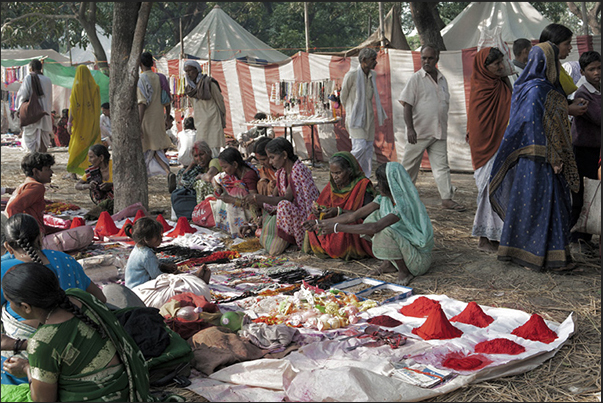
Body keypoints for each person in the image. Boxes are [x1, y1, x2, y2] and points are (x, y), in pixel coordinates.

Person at [489, 41, 581, 273]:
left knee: (534, 206)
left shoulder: (526, 86)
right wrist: (553, 156)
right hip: (542, 161)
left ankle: (534, 254)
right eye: (554, 61)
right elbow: (531, 125)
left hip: (532, 161)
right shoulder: (537, 89)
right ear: (547, 63)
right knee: (548, 206)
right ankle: (552, 259)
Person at [1, 263, 151, 402]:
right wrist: (19, 344)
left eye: (10, 301)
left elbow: (43, 400)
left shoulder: (42, 343)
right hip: (125, 387)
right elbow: (73, 343)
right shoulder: (80, 297)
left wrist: (26, 368)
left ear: (26, 307)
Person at [1, 213, 106, 386]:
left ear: (8, 246)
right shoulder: (65, 260)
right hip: (80, 347)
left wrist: (20, 345)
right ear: (41, 237)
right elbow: (99, 298)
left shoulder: (8, 272)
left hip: (30, 363)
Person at [312, 162, 433, 286]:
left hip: (418, 260)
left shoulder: (403, 205)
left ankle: (404, 271)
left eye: (380, 182)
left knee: (384, 230)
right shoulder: (383, 199)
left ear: (390, 184)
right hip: (404, 247)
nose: (377, 186)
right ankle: (389, 263)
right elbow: (353, 216)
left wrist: (337, 228)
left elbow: (375, 228)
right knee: (372, 218)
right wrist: (319, 223)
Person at [398, 44, 466, 212]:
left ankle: (447, 199)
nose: (426, 61)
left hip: (438, 132)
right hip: (419, 132)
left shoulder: (442, 79)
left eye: (430, 58)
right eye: (424, 58)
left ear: (437, 59)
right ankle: (399, 198)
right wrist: (410, 129)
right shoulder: (415, 79)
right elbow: (407, 105)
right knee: (408, 166)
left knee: (442, 167)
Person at [466, 47, 512, 253]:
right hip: (486, 147)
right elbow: (479, 124)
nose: (501, 67)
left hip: (501, 144)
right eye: (496, 64)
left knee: (501, 189)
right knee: (488, 190)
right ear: (484, 68)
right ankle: (484, 239)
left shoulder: (501, 84)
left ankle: (497, 236)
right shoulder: (481, 89)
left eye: (502, 62)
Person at [243, 137, 319, 255]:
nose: (271, 162)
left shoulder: (298, 170)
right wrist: (259, 203)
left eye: (272, 157)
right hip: (295, 214)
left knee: (283, 205)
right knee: (269, 204)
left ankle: (294, 241)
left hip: (306, 216)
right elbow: (273, 196)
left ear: (284, 155)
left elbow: (286, 199)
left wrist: (258, 197)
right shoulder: (282, 173)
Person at [302, 151, 377, 260]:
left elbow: (368, 216)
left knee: (346, 225)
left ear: (350, 171)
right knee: (312, 218)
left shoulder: (362, 185)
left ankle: (342, 251)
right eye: (332, 173)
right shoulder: (332, 185)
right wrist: (319, 211)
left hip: (353, 222)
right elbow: (323, 204)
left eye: (338, 173)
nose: (334, 177)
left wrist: (339, 211)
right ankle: (325, 249)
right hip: (334, 220)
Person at [569, 51, 601, 254]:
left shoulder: (597, 91)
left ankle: (586, 237)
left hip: (596, 151)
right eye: (592, 69)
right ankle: (577, 239)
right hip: (584, 152)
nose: (597, 72)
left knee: (594, 195)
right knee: (583, 196)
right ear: (582, 72)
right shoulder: (583, 93)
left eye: (599, 68)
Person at [124, 217, 210, 289]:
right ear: (146, 240)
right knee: (174, 286)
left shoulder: (139, 249)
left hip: (132, 288)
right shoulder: (146, 255)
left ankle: (193, 277)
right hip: (139, 291)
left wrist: (164, 266)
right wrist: (174, 275)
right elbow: (158, 277)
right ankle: (193, 279)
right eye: (157, 236)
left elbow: (151, 265)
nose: (161, 238)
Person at [340, 48, 387, 178]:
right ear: (364, 60)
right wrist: (352, 111)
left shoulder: (373, 76)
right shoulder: (352, 76)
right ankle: (344, 170)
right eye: (373, 60)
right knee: (359, 147)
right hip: (355, 119)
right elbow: (343, 97)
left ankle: (364, 178)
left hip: (368, 119)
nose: (375, 63)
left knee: (367, 150)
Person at [137, 51, 174, 185]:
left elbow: (141, 103)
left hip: (146, 119)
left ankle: (144, 177)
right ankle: (167, 172)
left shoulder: (141, 79)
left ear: (140, 64)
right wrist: (167, 117)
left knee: (146, 149)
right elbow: (167, 100)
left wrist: (139, 124)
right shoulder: (160, 78)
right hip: (158, 118)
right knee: (156, 148)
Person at [539, 23, 589, 118]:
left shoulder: (557, 67)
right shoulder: (543, 71)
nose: (570, 47)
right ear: (553, 46)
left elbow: (555, 98)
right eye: (567, 43)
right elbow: (541, 103)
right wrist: (568, 109)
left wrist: (570, 102)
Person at [210, 147, 260, 238]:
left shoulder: (248, 176)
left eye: (225, 167)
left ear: (235, 164)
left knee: (235, 196)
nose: (223, 170)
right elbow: (214, 179)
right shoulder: (231, 174)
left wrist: (233, 200)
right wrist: (217, 188)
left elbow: (254, 201)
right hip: (241, 204)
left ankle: (242, 230)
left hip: (250, 210)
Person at [183, 60, 227, 157]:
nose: (189, 74)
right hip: (200, 121)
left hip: (213, 119)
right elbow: (194, 106)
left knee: (214, 148)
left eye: (191, 70)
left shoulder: (209, 83)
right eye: (186, 71)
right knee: (202, 149)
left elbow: (219, 101)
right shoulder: (189, 89)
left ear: (197, 70)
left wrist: (222, 118)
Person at [171, 141, 221, 220]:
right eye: (196, 156)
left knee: (200, 183)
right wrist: (192, 164)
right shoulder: (199, 167)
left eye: (201, 154)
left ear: (209, 153)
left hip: (218, 193)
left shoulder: (214, 161)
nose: (199, 158)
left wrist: (201, 176)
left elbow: (208, 177)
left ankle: (200, 213)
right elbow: (181, 180)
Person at [66, 65, 101, 176]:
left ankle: (73, 171)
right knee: (92, 145)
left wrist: (69, 122)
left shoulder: (77, 88)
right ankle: (93, 170)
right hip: (92, 123)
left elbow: (73, 107)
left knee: (77, 144)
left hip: (79, 123)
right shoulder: (95, 88)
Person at [15, 59, 53, 154]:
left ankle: (33, 162)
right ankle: (42, 160)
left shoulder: (29, 78)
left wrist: (18, 109)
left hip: (32, 114)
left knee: (31, 140)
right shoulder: (48, 80)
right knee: (43, 138)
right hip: (44, 113)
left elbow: (22, 95)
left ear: (31, 68)